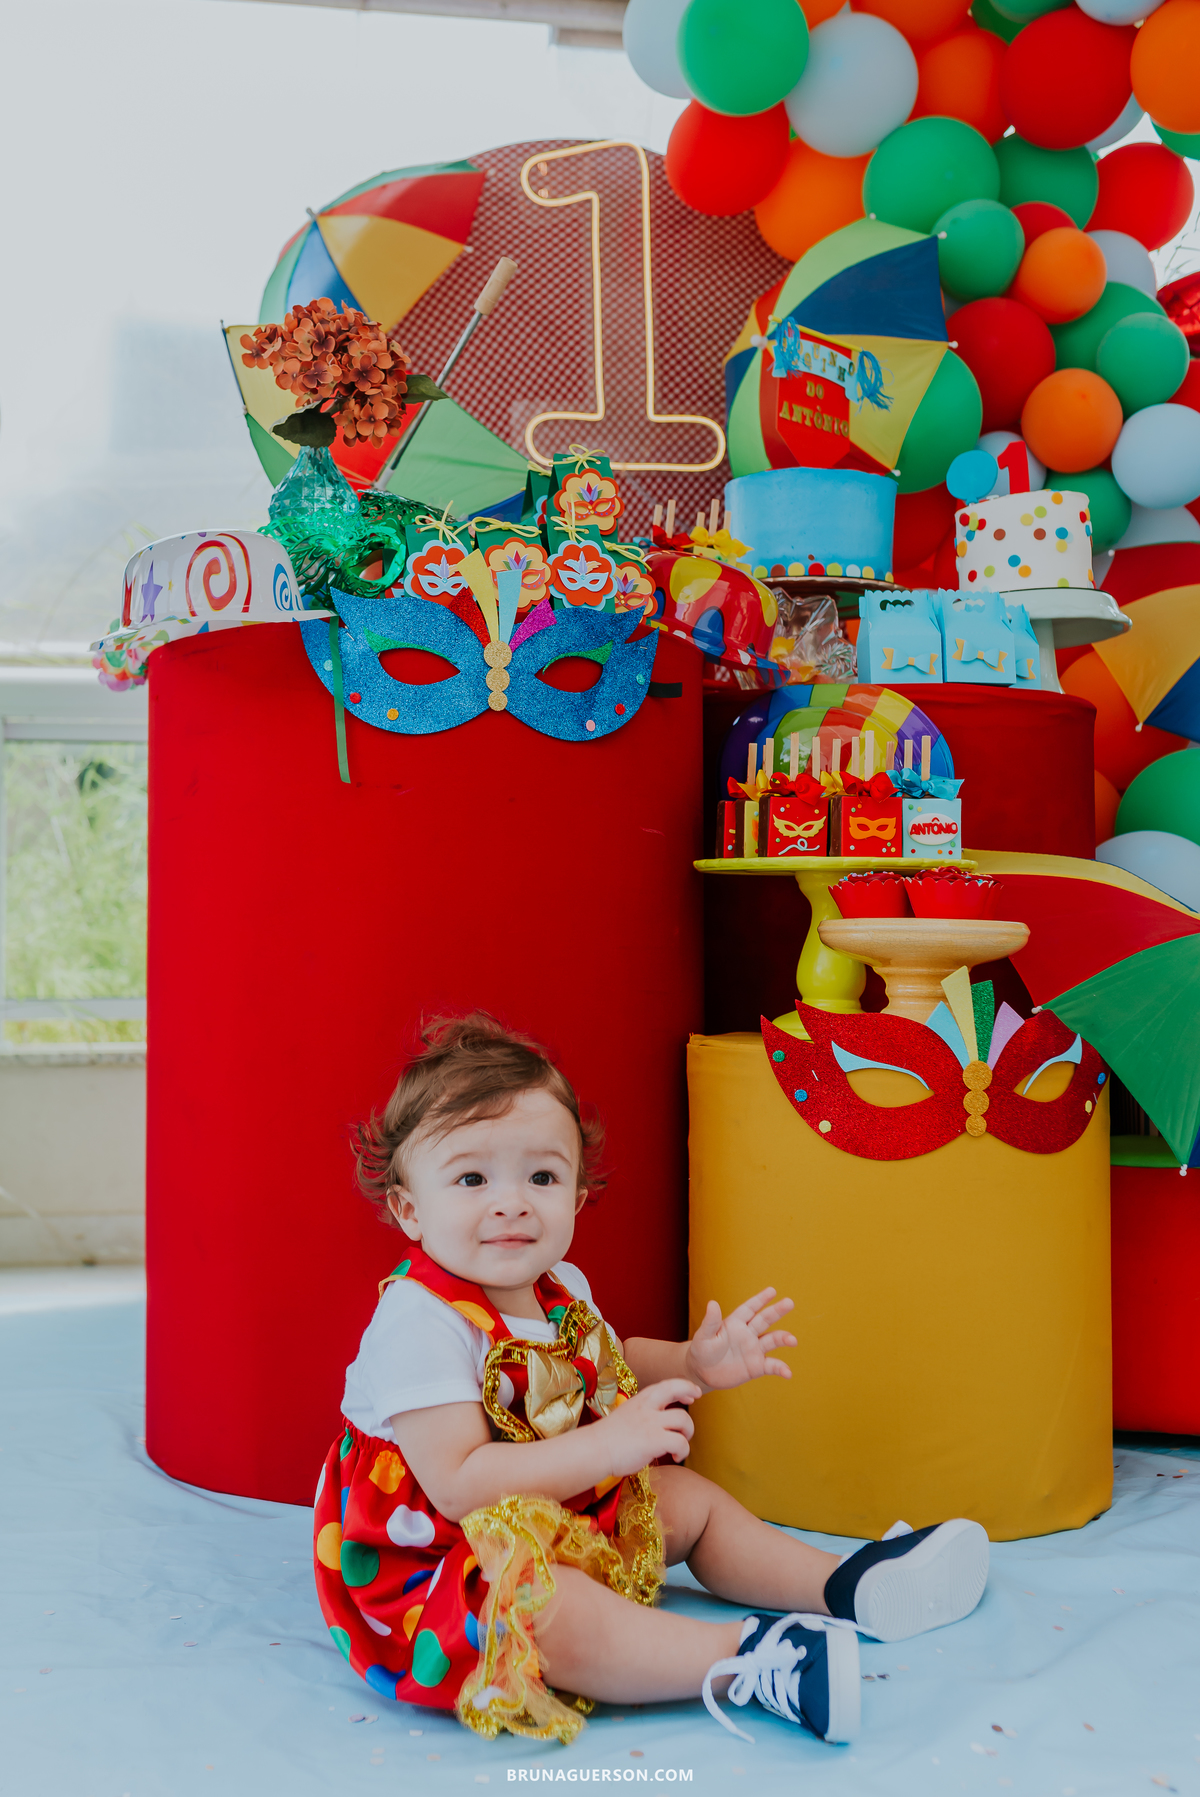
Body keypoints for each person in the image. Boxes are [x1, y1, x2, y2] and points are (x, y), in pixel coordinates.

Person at [314, 1012, 989, 1747]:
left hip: (555, 1505)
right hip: (442, 1564)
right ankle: (751, 1659)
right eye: (472, 1178)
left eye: (542, 1176)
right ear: (409, 1209)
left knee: (685, 1500)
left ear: (576, 1196)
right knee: (541, 1606)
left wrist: (695, 1363)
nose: (512, 1202)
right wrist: (609, 1447)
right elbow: (458, 1484)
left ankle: (846, 1584)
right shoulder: (419, 1321)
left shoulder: (559, 1286)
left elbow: (607, 1363)